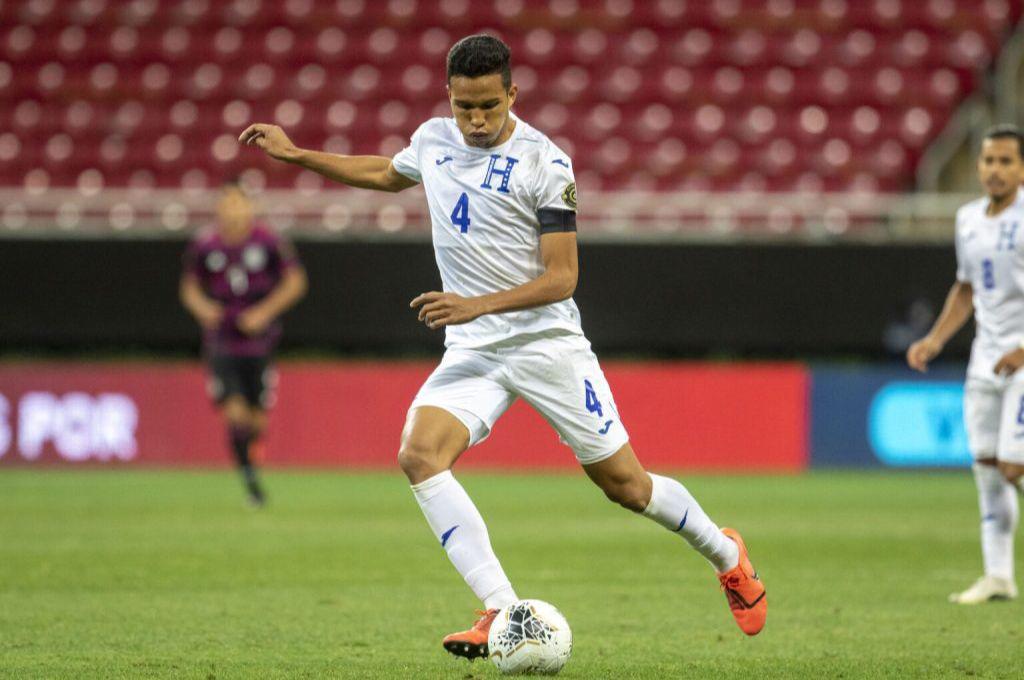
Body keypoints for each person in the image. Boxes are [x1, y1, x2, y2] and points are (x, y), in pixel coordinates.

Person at [239, 34, 765, 656]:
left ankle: (726, 554)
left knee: (627, 486)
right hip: (474, 350)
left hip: (547, 343)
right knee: (419, 455)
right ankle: (500, 608)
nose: (477, 120)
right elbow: (384, 173)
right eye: (465, 106)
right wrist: (297, 155)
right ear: (449, 97)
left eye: (489, 105)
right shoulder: (433, 140)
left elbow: (562, 278)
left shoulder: (547, 163)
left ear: (512, 94)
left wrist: (475, 304)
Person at [908, 124, 1024, 604]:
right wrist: (935, 339)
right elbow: (966, 288)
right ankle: (998, 576)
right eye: (988, 160)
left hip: (1022, 361)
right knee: (988, 468)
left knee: (1014, 466)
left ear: (1021, 168)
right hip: (984, 361)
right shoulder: (968, 219)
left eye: (1005, 161)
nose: (995, 170)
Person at [180, 181, 308, 507]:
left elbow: (295, 282)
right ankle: (251, 482)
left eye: (238, 203)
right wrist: (204, 309)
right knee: (235, 415)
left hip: (260, 344)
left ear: (250, 208)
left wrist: (264, 312)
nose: (232, 211)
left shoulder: (269, 242)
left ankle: (251, 462)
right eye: (227, 204)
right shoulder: (205, 245)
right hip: (222, 342)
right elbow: (189, 288)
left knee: (256, 422)